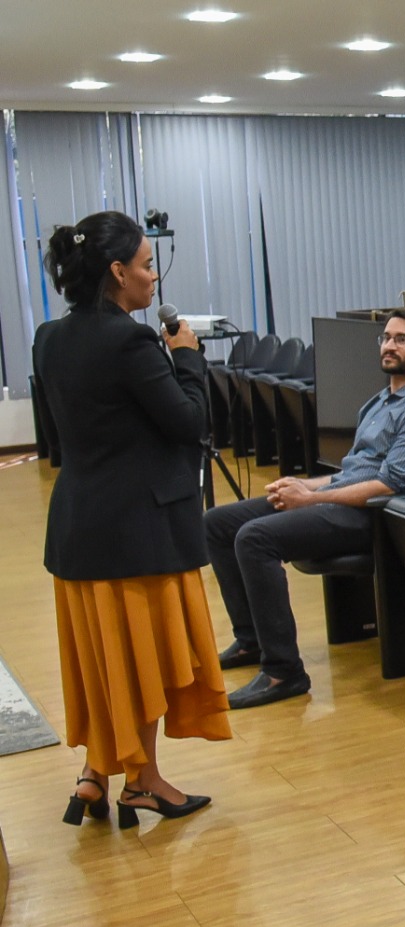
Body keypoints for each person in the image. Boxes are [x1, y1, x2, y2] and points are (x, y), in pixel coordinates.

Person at [33, 210, 232, 828]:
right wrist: (189, 359)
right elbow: (187, 422)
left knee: (105, 658)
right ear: (117, 272)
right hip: (135, 531)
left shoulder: (47, 336)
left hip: (77, 524)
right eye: (147, 266)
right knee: (142, 658)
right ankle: (142, 781)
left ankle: (96, 771)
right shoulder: (132, 339)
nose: (153, 279)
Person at [204, 309, 405, 710]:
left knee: (255, 538)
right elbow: (352, 470)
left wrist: (310, 498)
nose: (390, 345)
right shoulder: (381, 400)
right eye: (386, 338)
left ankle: (283, 671)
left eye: (402, 339)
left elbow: (390, 485)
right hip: (344, 499)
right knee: (218, 524)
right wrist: (307, 484)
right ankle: (252, 641)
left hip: (377, 517)